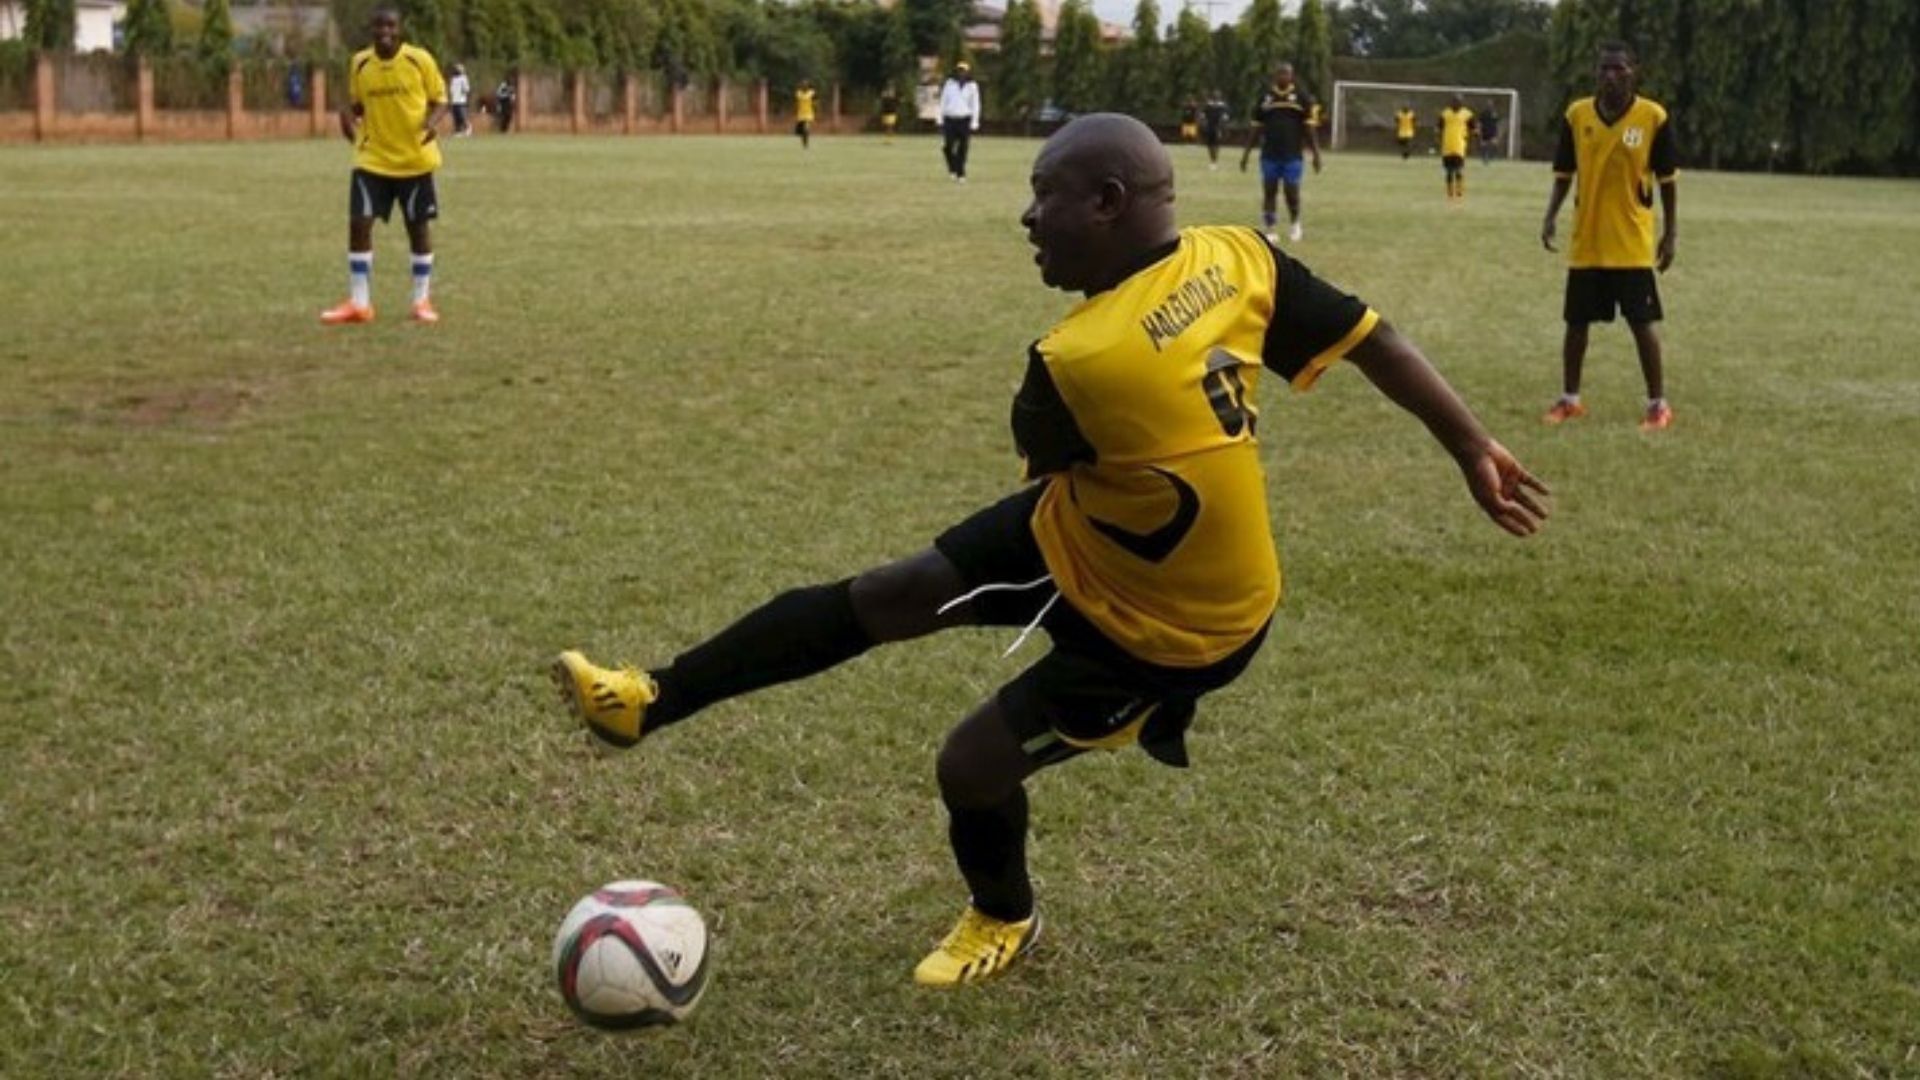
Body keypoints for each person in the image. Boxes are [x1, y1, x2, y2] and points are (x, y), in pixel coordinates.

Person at [551, 113, 1549, 989]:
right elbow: (1375, 337)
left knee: (970, 765)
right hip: (1088, 529)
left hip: (1178, 628)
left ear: (1108, 202)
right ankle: (648, 700)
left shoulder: (1078, 360)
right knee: (890, 593)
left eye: (1046, 195)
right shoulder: (1238, 258)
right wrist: (1472, 446)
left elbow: (1064, 440)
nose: (1028, 218)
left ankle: (1005, 915)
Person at [1541, 41, 1679, 431]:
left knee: (1642, 324)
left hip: (1631, 242)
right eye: (1604, 69)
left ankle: (1658, 405)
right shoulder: (1577, 115)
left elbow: (1667, 181)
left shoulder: (1653, 117)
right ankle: (1570, 400)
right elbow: (1564, 174)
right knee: (1575, 324)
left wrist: (1670, 233)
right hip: (1587, 240)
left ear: (1635, 72)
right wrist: (1550, 215)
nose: (1611, 76)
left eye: (1619, 68)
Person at [320, 6, 447, 326]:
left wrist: (431, 123)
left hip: (414, 159)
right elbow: (356, 105)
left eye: (391, 26)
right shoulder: (360, 63)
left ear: (400, 29)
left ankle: (421, 301)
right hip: (372, 159)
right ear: (371, 29)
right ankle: (359, 303)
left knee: (417, 228)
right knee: (358, 224)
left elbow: (441, 99)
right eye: (379, 26)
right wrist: (346, 117)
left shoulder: (419, 60)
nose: (385, 32)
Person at [1239, 63, 1320, 243]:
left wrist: (1316, 154)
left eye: (1287, 74)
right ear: (1275, 76)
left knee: (1292, 191)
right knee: (1269, 191)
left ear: (1292, 76)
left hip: (1293, 155)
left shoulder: (1301, 98)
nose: (1283, 77)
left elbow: (1309, 129)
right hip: (1269, 155)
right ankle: (1270, 228)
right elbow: (1255, 129)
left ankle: (1295, 224)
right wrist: (1246, 155)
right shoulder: (1265, 98)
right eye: (1280, 73)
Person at [939, 61, 981, 182]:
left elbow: (975, 104)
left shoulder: (972, 86)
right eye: (960, 71)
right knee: (947, 146)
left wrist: (975, 121)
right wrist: (940, 118)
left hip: (964, 119)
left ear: (967, 73)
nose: (961, 73)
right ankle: (953, 167)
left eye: (964, 71)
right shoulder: (949, 84)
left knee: (963, 147)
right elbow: (943, 101)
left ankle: (961, 173)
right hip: (950, 118)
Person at [1437, 94, 1475, 204]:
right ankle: (1449, 192)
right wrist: (1438, 140)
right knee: (1449, 171)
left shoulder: (1467, 115)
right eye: (1454, 101)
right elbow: (1439, 128)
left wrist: (1471, 141)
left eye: (1458, 101)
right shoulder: (1445, 114)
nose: (1456, 103)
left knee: (1458, 170)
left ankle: (1459, 191)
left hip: (1459, 146)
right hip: (1447, 146)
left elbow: (1473, 129)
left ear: (1462, 103)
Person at [1201, 90, 1230, 170]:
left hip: (1218, 128)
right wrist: (1203, 123)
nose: (1216, 97)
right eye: (1215, 96)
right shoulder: (1208, 106)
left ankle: (1214, 161)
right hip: (1210, 127)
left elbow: (1225, 117)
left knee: (1216, 144)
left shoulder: (1222, 107)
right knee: (1210, 145)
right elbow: (1203, 115)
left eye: (1217, 96)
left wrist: (1223, 127)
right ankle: (1212, 160)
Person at [793, 79, 817, 150]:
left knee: (806, 129)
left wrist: (815, 109)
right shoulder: (798, 93)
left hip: (809, 113)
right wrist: (795, 110)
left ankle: (806, 145)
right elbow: (796, 103)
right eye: (803, 85)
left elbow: (815, 102)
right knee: (799, 131)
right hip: (800, 114)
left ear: (808, 86)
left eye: (806, 85)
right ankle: (804, 141)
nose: (804, 86)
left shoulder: (812, 93)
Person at [448, 63, 471, 136]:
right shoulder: (453, 79)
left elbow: (466, 89)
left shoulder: (463, 78)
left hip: (461, 101)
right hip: (454, 100)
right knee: (456, 117)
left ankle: (468, 128)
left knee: (462, 116)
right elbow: (451, 90)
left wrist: (463, 91)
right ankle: (458, 131)